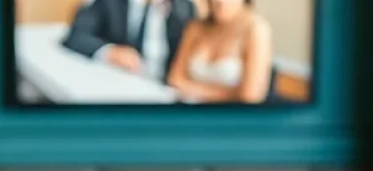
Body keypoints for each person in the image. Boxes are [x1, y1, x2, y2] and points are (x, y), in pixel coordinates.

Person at [62, 0, 197, 83]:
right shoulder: (109, 2)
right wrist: (111, 52)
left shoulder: (184, 7)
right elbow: (77, 35)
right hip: (123, 86)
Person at [167, 0, 272, 104]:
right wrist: (231, 93)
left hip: (231, 116)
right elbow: (175, 80)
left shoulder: (256, 29)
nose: (218, 1)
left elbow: (250, 96)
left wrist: (194, 90)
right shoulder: (195, 28)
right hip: (191, 113)